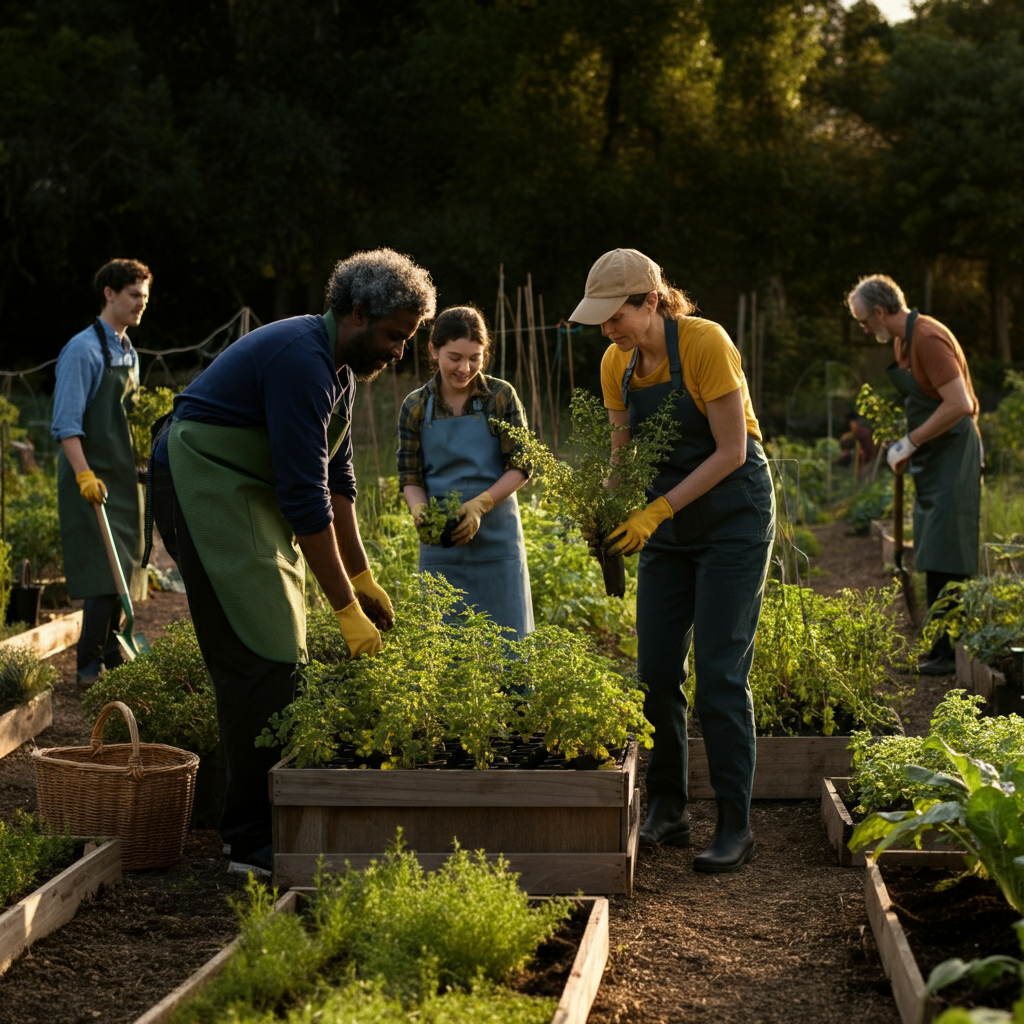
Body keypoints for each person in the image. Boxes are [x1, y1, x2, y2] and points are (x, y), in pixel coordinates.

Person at [151, 248, 436, 875]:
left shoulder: (339, 370)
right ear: (358, 313)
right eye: (395, 336)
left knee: (282, 651)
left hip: (245, 492)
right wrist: (343, 610)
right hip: (203, 484)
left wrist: (362, 579)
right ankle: (248, 842)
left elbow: (338, 481)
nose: (399, 352)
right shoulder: (302, 360)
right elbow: (304, 499)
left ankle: (265, 822)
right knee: (261, 659)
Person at [571, 248, 775, 873]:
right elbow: (621, 458)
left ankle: (736, 825)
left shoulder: (706, 344)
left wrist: (655, 510)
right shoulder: (617, 365)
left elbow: (731, 450)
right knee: (655, 671)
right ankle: (670, 807)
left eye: (617, 316)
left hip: (732, 520)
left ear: (651, 301)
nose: (609, 330)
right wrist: (604, 508)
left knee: (718, 674)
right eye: (601, 320)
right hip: (669, 527)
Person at [846, 274, 981, 676]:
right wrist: (906, 443)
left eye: (863, 321)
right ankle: (938, 644)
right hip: (933, 454)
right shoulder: (904, 340)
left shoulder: (928, 338)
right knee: (933, 547)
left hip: (953, 452)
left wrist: (913, 441)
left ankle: (948, 650)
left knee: (949, 550)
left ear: (882, 312)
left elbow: (961, 403)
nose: (863, 329)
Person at [397, 306, 534, 639]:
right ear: (433, 350)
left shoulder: (500, 397)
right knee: (444, 650)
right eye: (455, 357)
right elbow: (410, 476)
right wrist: (420, 511)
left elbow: (522, 466)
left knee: (509, 647)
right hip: (441, 544)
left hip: (497, 541)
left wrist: (478, 506)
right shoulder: (415, 406)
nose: (465, 368)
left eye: (475, 358)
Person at [51, 259, 151, 687]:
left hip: (123, 477)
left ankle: (113, 648)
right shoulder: (83, 350)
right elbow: (65, 424)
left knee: (125, 567)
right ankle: (88, 663)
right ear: (109, 293)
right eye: (133, 296)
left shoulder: (128, 352)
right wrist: (84, 476)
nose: (140, 305)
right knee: (100, 570)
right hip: (88, 475)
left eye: (145, 298)